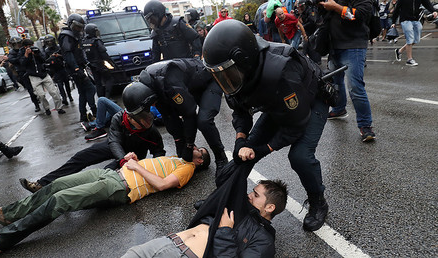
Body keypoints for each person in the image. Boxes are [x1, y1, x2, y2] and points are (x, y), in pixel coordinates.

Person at [203, 20, 331, 231]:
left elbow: (295, 125)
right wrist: (241, 139)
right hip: (277, 104)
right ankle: (225, 200)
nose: (224, 80)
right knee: (243, 154)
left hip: (310, 100)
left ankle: (318, 202)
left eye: (227, 73)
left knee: (300, 156)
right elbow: (240, 111)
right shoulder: (235, 71)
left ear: (243, 61)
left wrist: (266, 148)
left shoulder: (281, 71)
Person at [0, 148, 210, 255]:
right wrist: (135, 159)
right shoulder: (175, 157)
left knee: (60, 200)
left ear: (200, 163)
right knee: (57, 184)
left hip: (120, 187)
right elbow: (150, 171)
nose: (195, 151)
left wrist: (136, 166)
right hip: (110, 174)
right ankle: (9, 214)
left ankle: (2, 240)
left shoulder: (186, 169)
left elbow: (161, 185)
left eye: (200, 153)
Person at [19, 85, 166, 193]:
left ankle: (62, 191)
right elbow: (114, 141)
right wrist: (122, 159)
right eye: (139, 122)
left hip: (135, 156)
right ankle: (42, 184)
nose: (143, 125)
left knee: (105, 173)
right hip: (118, 148)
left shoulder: (151, 130)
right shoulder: (118, 118)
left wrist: (148, 170)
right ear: (130, 117)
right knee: (81, 157)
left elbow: (159, 154)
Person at [122, 164, 288, 257]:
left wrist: (225, 232)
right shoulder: (237, 204)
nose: (249, 195)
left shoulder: (264, 240)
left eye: (256, 195)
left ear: (270, 207)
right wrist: (242, 154)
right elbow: (225, 178)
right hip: (166, 242)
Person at [137, 58, 229, 172]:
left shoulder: (169, 83)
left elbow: (189, 114)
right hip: (189, 86)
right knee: (173, 119)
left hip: (208, 81)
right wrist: (179, 141)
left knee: (203, 121)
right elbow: (168, 116)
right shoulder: (149, 86)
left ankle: (221, 158)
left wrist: (189, 144)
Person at [320, 0, 376, 142]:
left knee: (355, 87)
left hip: (354, 46)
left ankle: (365, 126)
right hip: (334, 46)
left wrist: (335, 7)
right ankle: (339, 108)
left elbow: (359, 15)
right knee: (336, 82)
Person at [59, 13, 97, 122]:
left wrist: (86, 63)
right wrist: (76, 68)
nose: (78, 29)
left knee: (82, 92)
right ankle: (94, 111)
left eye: (80, 27)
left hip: (79, 66)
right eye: (77, 26)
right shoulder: (66, 35)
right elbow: (68, 54)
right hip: (75, 69)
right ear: (71, 24)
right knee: (90, 88)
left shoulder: (75, 35)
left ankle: (83, 116)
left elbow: (79, 52)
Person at [18, 39, 66, 116]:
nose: (31, 47)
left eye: (32, 45)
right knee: (41, 95)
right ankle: (46, 108)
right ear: (25, 47)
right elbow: (22, 64)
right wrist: (26, 55)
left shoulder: (37, 50)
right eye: (29, 46)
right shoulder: (21, 53)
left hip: (44, 74)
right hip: (34, 76)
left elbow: (44, 59)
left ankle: (59, 108)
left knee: (54, 92)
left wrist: (37, 54)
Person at [391, 0, 438, 66]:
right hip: (405, 20)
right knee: (410, 39)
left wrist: (433, 11)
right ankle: (409, 59)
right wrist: (393, 22)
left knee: (416, 40)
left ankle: (399, 51)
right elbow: (397, 9)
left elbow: (427, 3)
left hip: (416, 20)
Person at [7, 36, 41, 112]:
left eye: (18, 44)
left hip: (32, 70)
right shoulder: (12, 52)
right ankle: (36, 104)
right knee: (30, 90)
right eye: (15, 44)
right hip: (22, 72)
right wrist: (21, 58)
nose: (17, 46)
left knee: (38, 86)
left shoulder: (25, 49)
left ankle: (40, 98)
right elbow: (12, 60)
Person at [82, 24, 115, 98]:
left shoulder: (84, 41)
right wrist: (111, 63)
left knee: (98, 83)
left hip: (92, 65)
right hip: (100, 64)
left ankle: (101, 98)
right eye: (95, 31)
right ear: (92, 31)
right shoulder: (97, 41)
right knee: (109, 79)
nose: (97, 33)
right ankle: (107, 98)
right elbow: (103, 53)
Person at [44, 34, 73, 105]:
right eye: (48, 42)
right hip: (55, 70)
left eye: (50, 41)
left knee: (67, 84)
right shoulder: (46, 50)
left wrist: (58, 55)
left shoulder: (59, 47)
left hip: (63, 68)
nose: (49, 43)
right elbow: (45, 60)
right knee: (60, 85)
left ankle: (69, 95)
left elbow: (65, 56)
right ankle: (64, 98)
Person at [297, 0, 322, 64]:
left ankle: (316, 62)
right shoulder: (303, 11)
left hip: (314, 31)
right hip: (308, 32)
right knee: (306, 48)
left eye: (302, 6)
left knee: (313, 47)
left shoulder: (311, 10)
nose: (300, 8)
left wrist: (303, 26)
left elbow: (312, 22)